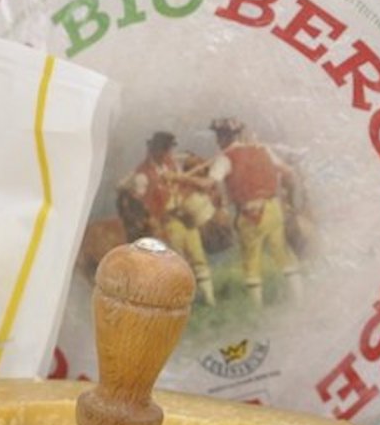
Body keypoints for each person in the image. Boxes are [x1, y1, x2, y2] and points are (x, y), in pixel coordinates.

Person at [207, 118, 302, 309]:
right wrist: (288, 199)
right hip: (273, 209)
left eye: (218, 136)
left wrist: (180, 178)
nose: (217, 141)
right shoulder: (263, 149)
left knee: (251, 259)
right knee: (281, 253)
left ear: (224, 137)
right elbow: (288, 173)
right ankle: (299, 300)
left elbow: (209, 183)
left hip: (250, 214)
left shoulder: (225, 158)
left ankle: (256, 310)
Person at [117, 132, 216, 306]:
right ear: (156, 150)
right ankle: (180, 303)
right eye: (166, 149)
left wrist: (181, 179)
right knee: (178, 262)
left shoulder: (172, 164)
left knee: (198, 255)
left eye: (169, 149)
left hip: (185, 216)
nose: (169, 153)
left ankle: (210, 300)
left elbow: (185, 168)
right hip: (167, 222)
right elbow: (140, 201)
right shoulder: (143, 175)